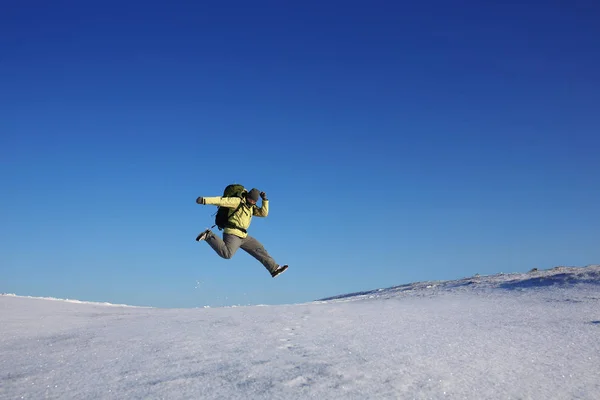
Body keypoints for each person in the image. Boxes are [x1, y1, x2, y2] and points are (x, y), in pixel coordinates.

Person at [195, 188, 288, 278]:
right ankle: (208, 235)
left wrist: (265, 200)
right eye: (250, 199)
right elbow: (221, 200)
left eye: (254, 201)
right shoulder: (237, 202)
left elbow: (263, 213)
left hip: (244, 236)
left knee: (259, 249)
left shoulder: (251, 207)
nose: (251, 202)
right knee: (227, 254)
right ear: (247, 196)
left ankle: (274, 268)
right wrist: (204, 200)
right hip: (232, 233)